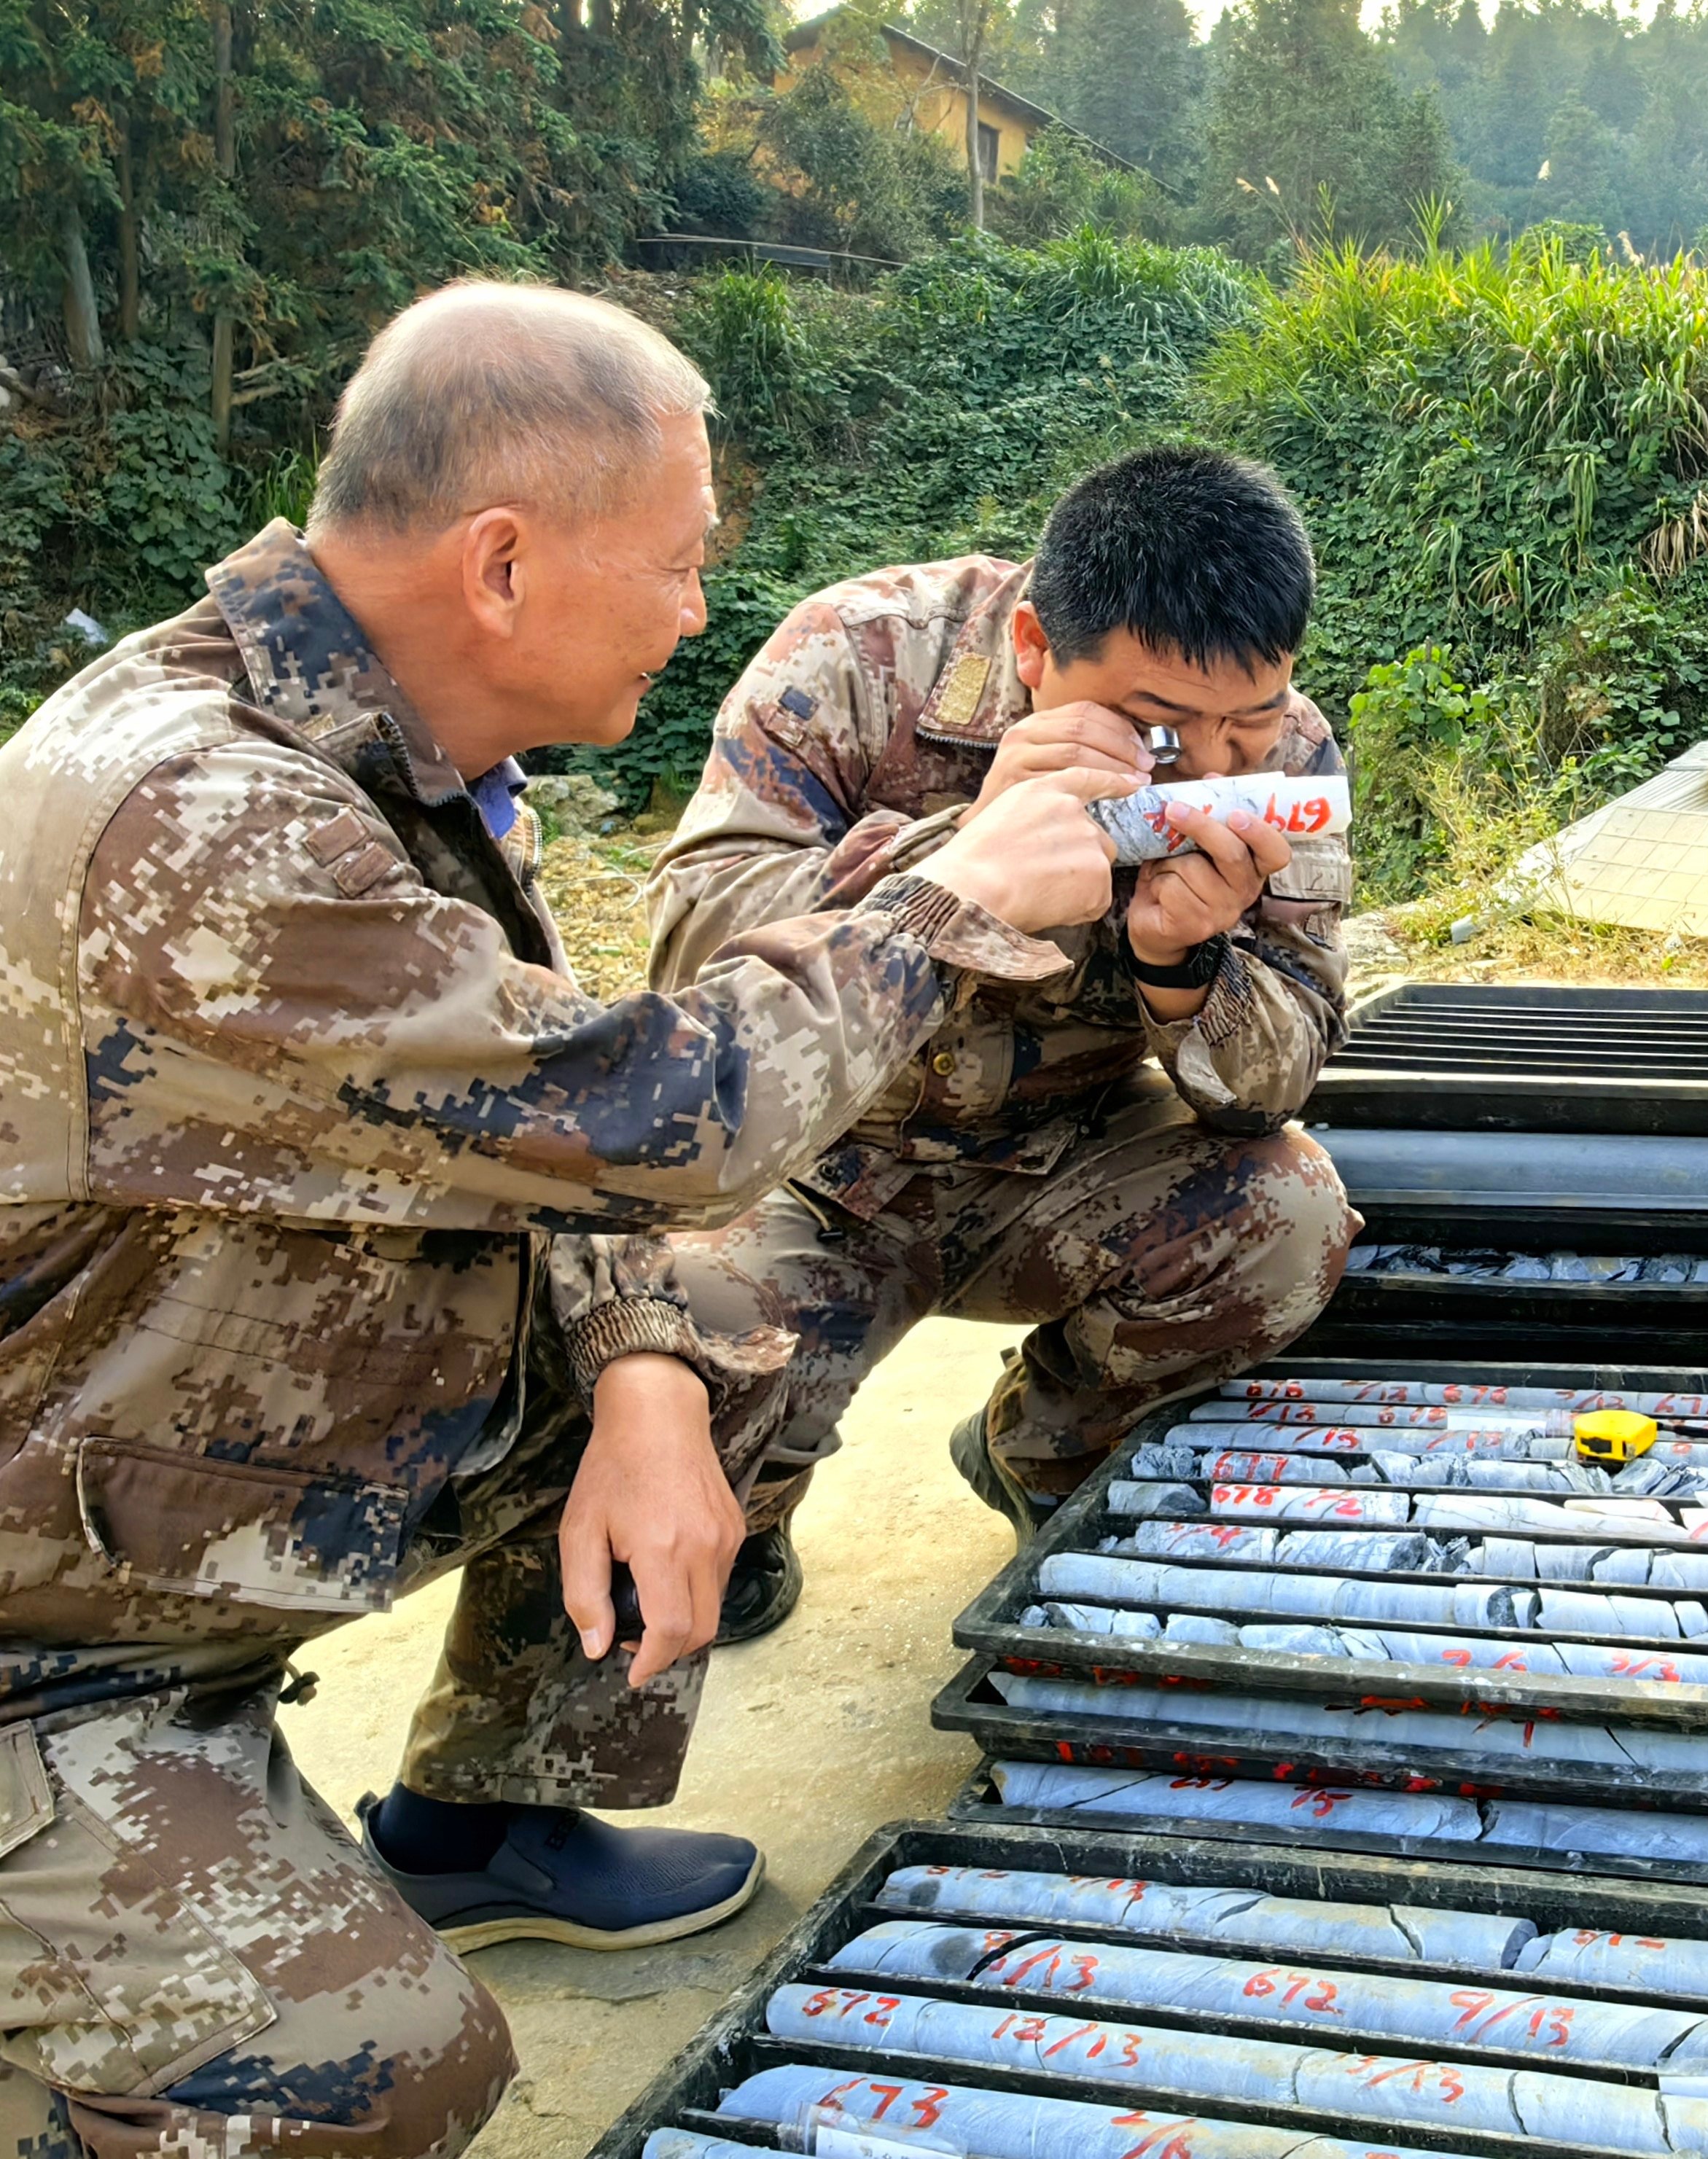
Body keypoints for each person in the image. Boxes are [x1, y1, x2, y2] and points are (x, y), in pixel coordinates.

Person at [0, 281, 1128, 2159]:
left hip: (155, 1505)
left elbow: (530, 1136)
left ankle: (490, 1814)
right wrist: (956, 896)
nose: (700, 612)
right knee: (368, 2076)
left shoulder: (381, 755)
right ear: (503, 564)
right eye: (678, 564)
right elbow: (644, 1107)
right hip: (42, 1629)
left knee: (719, 1339)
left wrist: (647, 1385)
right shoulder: (194, 821)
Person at [648, 445, 1357, 1620]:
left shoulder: (1287, 752)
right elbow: (691, 961)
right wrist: (961, 857)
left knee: (1286, 1211)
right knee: (660, 1344)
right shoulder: (858, 656)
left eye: (1252, 722)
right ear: (1034, 648)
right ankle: (753, 1505)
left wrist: (1185, 970)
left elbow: (1275, 1079)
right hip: (817, 1161)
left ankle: (1044, 1452)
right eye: (1161, 729)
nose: (1214, 767)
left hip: (1062, 1158)